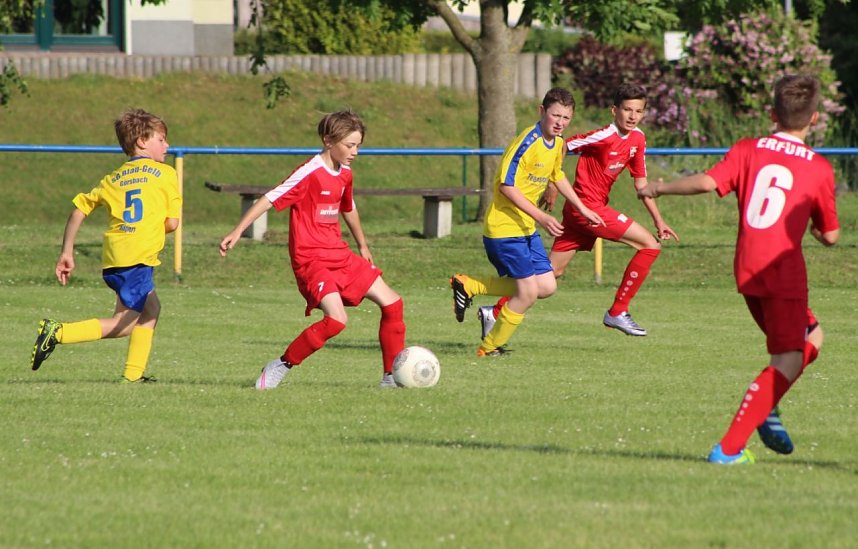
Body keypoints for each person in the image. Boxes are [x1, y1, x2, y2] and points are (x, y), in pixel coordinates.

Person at [638, 74, 840, 464]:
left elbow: (708, 182)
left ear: (771, 113)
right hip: (783, 273)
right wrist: (815, 229)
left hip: (748, 269)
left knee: (812, 336)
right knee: (789, 358)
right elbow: (830, 236)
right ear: (814, 119)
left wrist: (658, 187)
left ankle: (768, 406)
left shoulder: (749, 149)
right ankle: (729, 448)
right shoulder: (818, 168)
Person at [219, 110, 406, 390]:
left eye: (358, 145)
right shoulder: (309, 172)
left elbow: (348, 208)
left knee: (393, 304)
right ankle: (280, 365)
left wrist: (363, 245)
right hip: (311, 259)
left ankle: (390, 377)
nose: (355, 152)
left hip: (339, 254)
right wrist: (237, 230)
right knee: (336, 320)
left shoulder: (345, 173)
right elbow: (270, 198)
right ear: (328, 140)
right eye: (350, 145)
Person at [477, 82, 678, 339]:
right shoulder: (604, 136)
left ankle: (494, 312)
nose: (632, 116)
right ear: (613, 110)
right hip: (587, 209)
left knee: (550, 275)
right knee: (649, 245)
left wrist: (659, 220)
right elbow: (562, 145)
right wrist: (551, 182)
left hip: (583, 213)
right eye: (627, 110)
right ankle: (617, 311)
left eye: (638, 111)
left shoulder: (638, 139)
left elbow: (642, 185)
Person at [451, 87, 605, 357]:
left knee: (546, 286)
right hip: (503, 230)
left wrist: (582, 207)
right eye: (555, 115)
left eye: (566, 118)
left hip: (526, 228)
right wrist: (542, 216)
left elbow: (557, 176)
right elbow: (505, 187)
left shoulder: (557, 144)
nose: (560, 122)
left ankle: (470, 285)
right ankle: (488, 348)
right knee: (527, 293)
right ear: (541, 111)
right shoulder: (527, 142)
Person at [30, 109, 182, 382]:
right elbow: (172, 223)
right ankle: (57, 332)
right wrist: (149, 228)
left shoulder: (113, 178)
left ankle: (133, 376)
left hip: (114, 258)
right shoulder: (165, 174)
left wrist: (66, 252)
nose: (167, 146)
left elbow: (79, 210)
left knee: (151, 309)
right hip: (137, 258)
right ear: (143, 141)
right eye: (162, 139)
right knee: (123, 325)